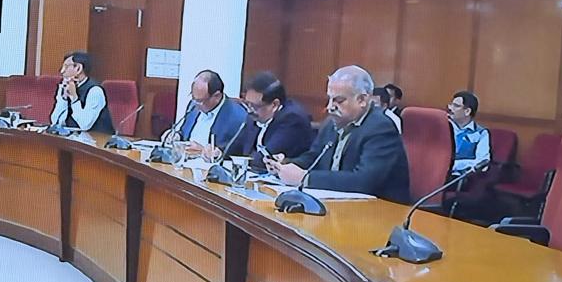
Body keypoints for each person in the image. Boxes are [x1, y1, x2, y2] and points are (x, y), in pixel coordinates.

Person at [266, 65, 411, 204]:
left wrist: (305, 178)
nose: (330, 107)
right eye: (329, 99)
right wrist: (285, 165)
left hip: (378, 211)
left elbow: (364, 181)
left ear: (362, 100)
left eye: (339, 100)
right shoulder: (331, 123)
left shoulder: (381, 127)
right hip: (339, 205)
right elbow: (314, 157)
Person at [169, 69, 250, 158]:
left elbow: (236, 153)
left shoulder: (238, 117)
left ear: (217, 96)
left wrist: (203, 151)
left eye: (200, 101)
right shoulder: (193, 105)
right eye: (193, 97)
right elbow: (184, 133)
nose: (196, 104)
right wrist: (177, 136)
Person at [241, 79, 315, 169]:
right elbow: (237, 149)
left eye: (255, 106)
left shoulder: (292, 119)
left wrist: (242, 160)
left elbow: (265, 159)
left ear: (274, 105)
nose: (249, 110)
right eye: (247, 104)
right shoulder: (254, 115)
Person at [50, 51, 115, 134]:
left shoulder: (95, 91)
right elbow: (55, 121)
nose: (62, 71)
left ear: (78, 68)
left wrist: (74, 98)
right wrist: (64, 99)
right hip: (72, 137)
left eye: (66, 67)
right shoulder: (67, 86)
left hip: (97, 138)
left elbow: (85, 125)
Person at [448, 90, 491, 174]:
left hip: (462, 177)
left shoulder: (481, 133)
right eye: (451, 105)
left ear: (467, 111)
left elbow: (482, 163)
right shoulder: (443, 127)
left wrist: (453, 165)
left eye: (456, 106)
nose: (450, 108)